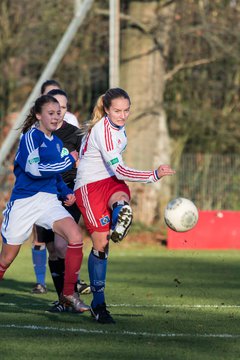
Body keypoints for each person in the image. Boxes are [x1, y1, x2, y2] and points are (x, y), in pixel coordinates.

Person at [74, 87, 176, 324]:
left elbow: (116, 171)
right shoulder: (104, 132)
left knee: (122, 199)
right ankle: (98, 302)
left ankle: (121, 215)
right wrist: (153, 175)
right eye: (117, 111)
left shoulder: (119, 128)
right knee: (100, 243)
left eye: (126, 110)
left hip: (110, 181)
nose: (122, 115)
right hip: (89, 186)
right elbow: (120, 168)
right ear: (107, 110)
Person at [0, 94, 89, 313]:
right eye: (51, 113)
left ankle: (68, 293)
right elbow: (35, 170)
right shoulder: (31, 137)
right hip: (25, 202)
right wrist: (69, 159)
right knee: (7, 258)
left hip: (49, 201)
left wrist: (65, 191)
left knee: (76, 237)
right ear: (39, 115)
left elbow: (55, 176)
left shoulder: (57, 142)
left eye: (59, 112)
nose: (56, 117)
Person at [33, 88, 90, 312]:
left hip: (69, 195)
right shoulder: (37, 134)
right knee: (52, 249)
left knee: (61, 243)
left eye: (63, 108)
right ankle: (63, 300)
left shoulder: (75, 134)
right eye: (55, 108)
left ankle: (71, 290)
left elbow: (85, 165)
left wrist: (76, 187)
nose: (59, 113)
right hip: (43, 196)